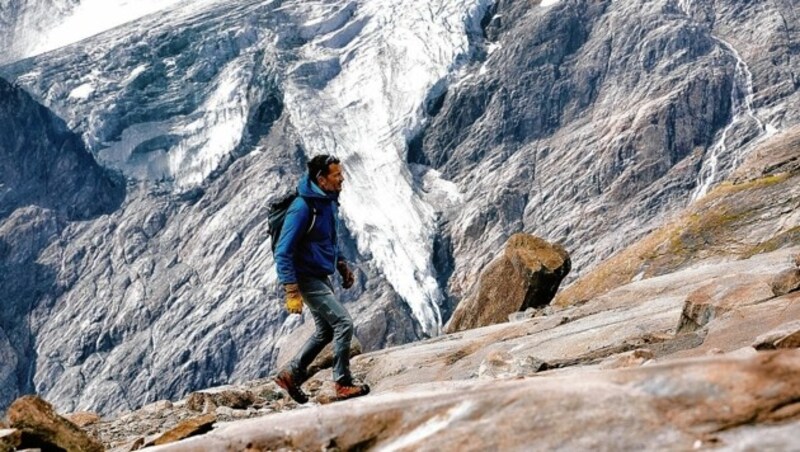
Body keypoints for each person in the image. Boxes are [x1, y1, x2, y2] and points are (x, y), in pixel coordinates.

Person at [273, 154, 370, 403]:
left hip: (319, 274)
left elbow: (328, 240)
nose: (342, 179)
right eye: (337, 175)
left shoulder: (326, 202)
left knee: (326, 330)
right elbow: (283, 251)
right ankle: (342, 382)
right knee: (343, 323)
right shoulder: (302, 207)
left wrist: (341, 266)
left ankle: (291, 374)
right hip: (306, 277)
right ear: (321, 178)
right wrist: (292, 290)